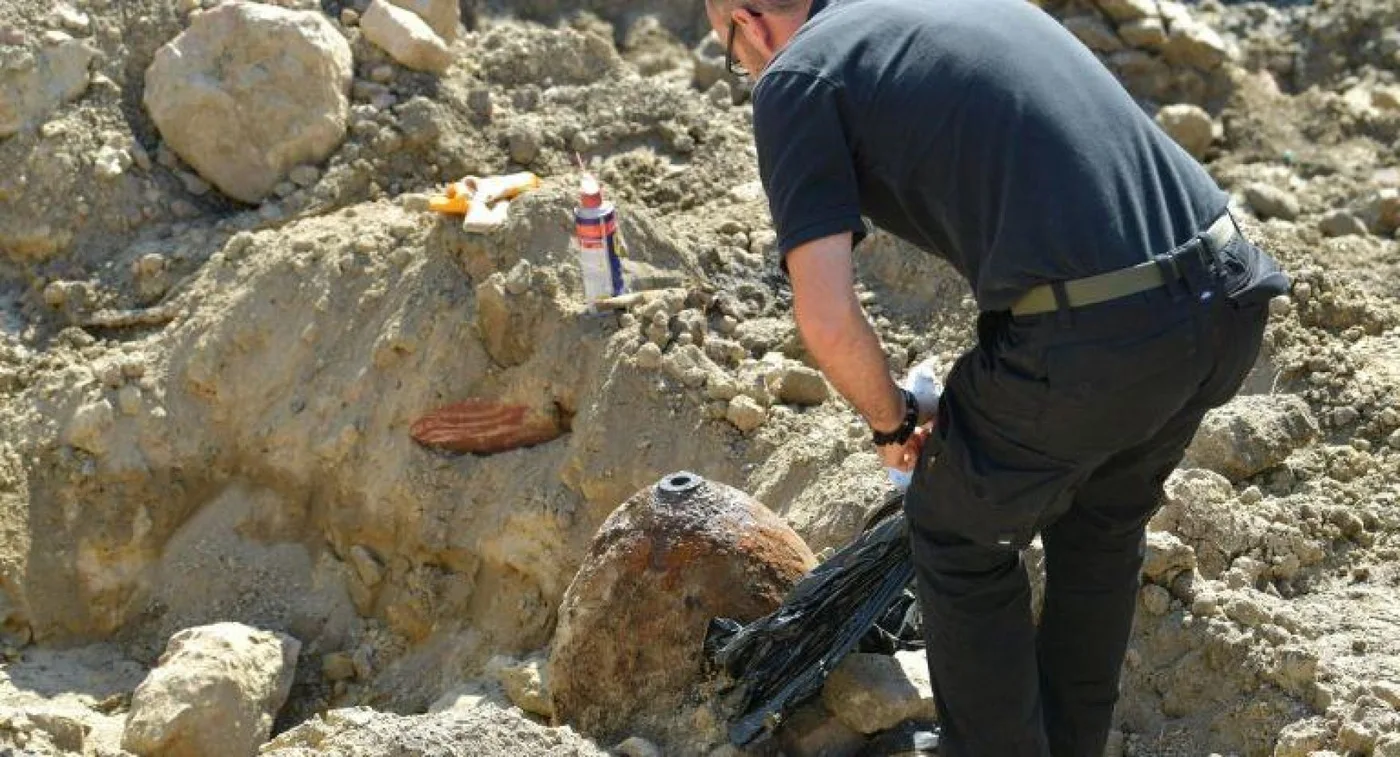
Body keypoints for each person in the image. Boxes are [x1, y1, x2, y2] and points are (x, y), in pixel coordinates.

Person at [702, 0, 1290, 754]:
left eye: (729, 54)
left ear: (747, 21)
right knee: (1100, 525)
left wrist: (891, 422)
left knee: (953, 529)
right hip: (1227, 296)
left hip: (1098, 333)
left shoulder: (797, 75)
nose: (746, 70)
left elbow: (825, 316)